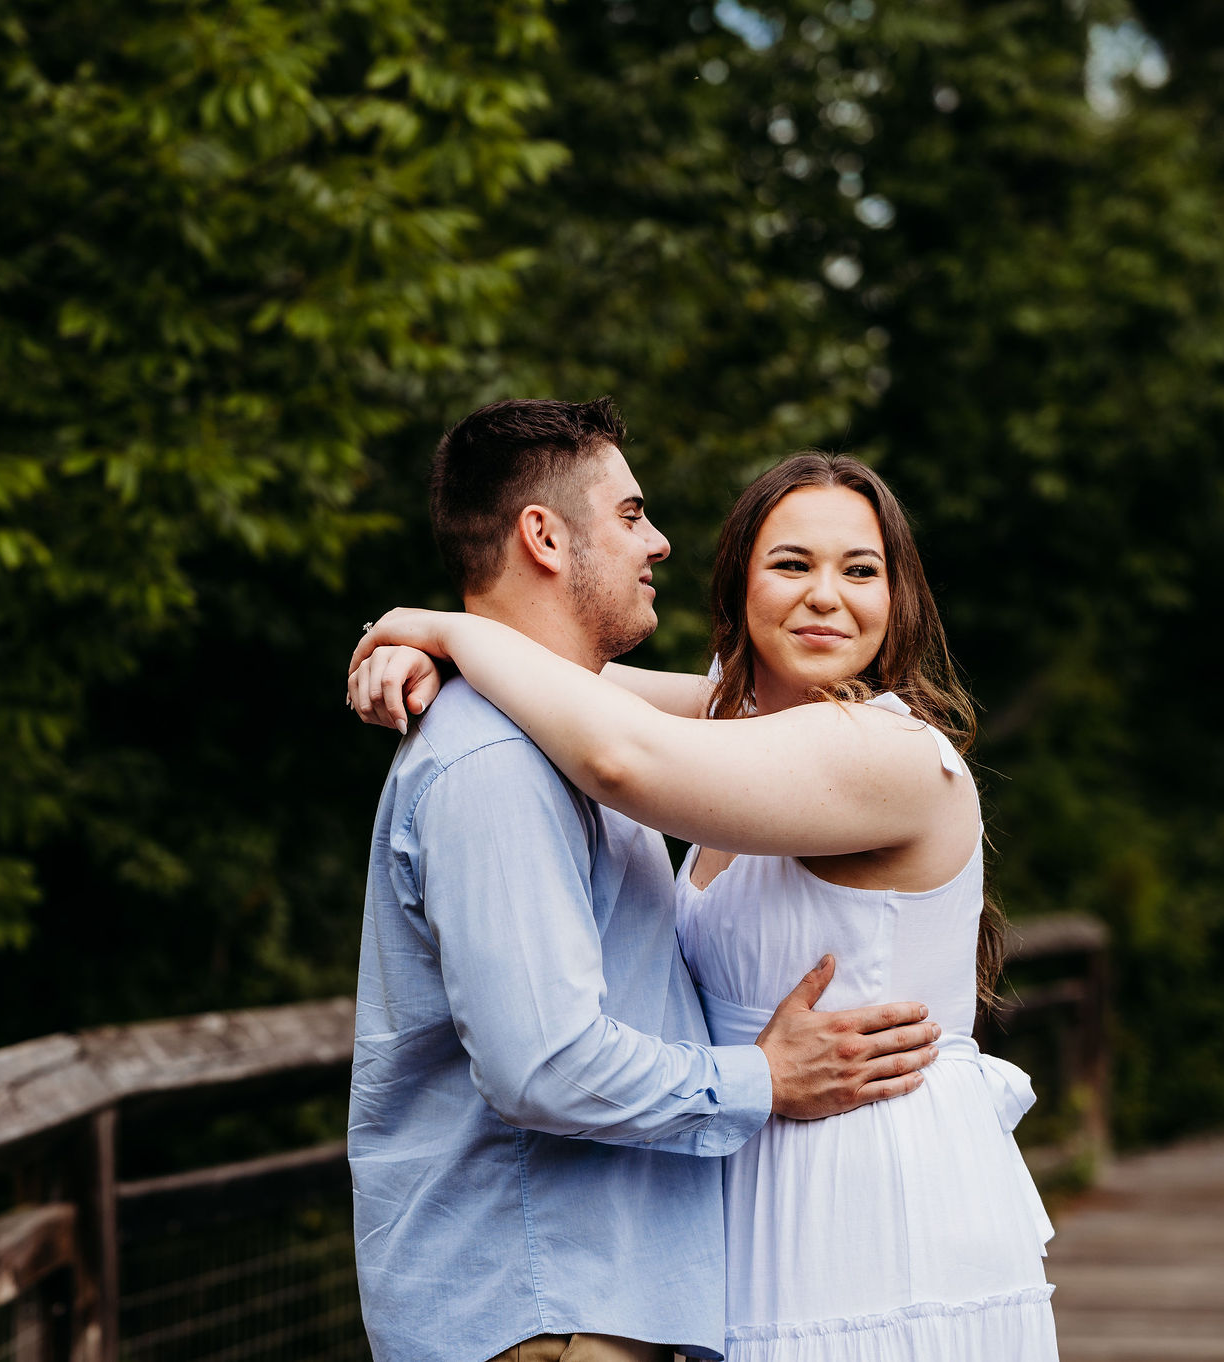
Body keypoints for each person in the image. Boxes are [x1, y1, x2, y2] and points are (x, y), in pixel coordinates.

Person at [349, 448, 1057, 1361]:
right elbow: (572, 683)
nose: (827, 596)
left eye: (862, 570)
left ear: (901, 598)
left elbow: (617, 756)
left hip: (870, 1191)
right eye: (792, 564)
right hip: (740, 1184)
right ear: (741, 586)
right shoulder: (731, 733)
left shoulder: (893, 758)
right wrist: (433, 651)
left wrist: (434, 624)